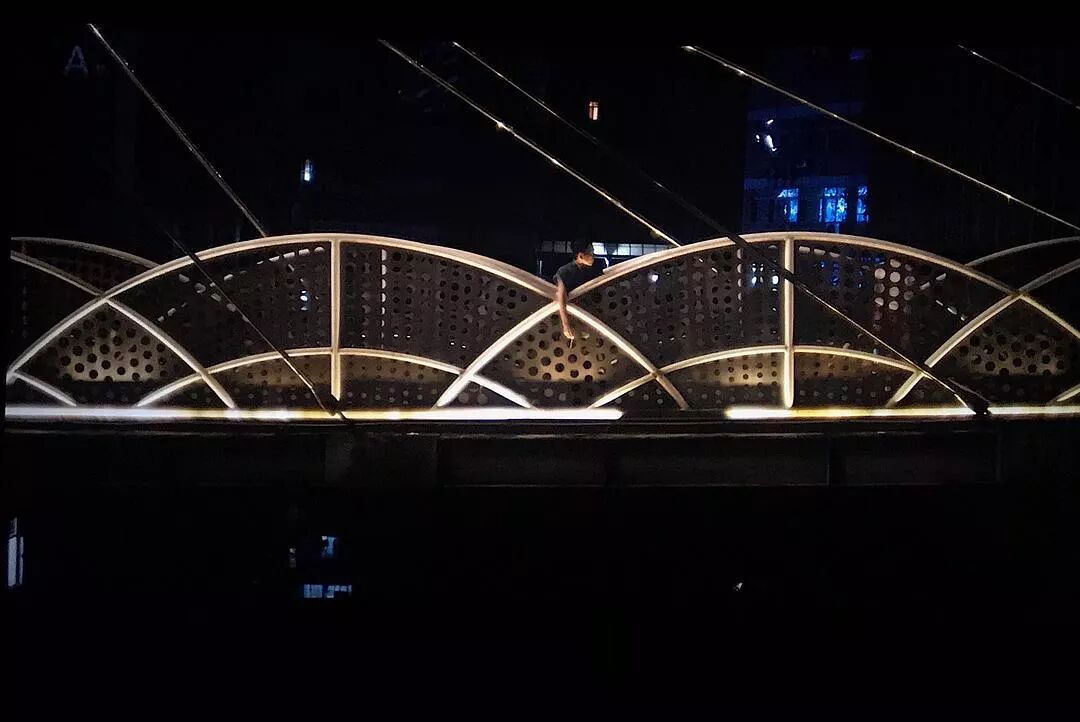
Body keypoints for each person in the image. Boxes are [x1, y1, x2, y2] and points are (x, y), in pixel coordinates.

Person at [553, 239, 606, 341]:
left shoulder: (595, 270)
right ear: (581, 256)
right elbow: (561, 296)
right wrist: (565, 324)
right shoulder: (565, 271)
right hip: (574, 316)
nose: (593, 256)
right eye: (591, 253)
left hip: (593, 317)